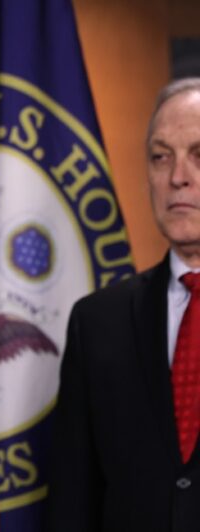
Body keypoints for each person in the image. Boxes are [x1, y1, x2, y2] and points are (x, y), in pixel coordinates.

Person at [48, 77, 200, 531]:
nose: (178, 177)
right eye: (160, 156)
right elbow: (72, 501)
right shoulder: (97, 322)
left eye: (199, 154)